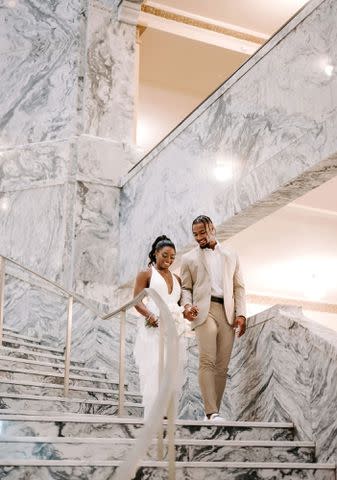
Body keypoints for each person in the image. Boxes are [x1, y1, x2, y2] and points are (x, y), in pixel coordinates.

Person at [180, 215, 247, 422]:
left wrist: (241, 314)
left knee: (222, 366)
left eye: (202, 232)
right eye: (195, 234)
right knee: (207, 359)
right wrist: (187, 306)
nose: (199, 237)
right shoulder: (189, 258)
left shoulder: (231, 254)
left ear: (212, 229)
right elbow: (185, 288)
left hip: (227, 312)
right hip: (203, 310)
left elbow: (239, 287)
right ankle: (211, 412)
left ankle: (213, 414)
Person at [133, 235, 194, 419]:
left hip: (174, 328)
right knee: (155, 366)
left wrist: (187, 313)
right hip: (155, 325)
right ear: (155, 253)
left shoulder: (177, 278)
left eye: (172, 257)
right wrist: (150, 315)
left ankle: (167, 412)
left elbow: (180, 305)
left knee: (171, 368)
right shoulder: (146, 273)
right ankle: (154, 412)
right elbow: (137, 301)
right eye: (165, 255)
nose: (168, 260)